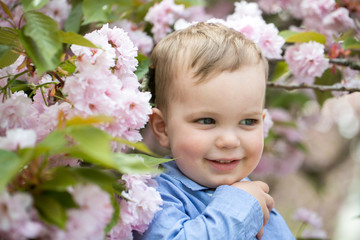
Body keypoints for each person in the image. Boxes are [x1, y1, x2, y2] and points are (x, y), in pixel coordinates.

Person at [135, 22, 295, 240]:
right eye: (207, 120)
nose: (229, 141)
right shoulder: (154, 197)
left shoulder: (257, 199)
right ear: (163, 128)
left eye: (248, 121)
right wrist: (239, 208)